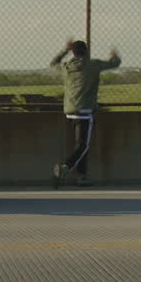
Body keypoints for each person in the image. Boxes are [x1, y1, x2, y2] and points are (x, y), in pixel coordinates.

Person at [49, 39, 120, 187]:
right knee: (83, 146)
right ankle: (65, 168)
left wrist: (65, 50)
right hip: (85, 111)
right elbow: (115, 63)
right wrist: (115, 55)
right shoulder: (93, 65)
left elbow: (53, 63)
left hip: (69, 110)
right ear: (86, 51)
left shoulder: (66, 66)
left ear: (73, 52)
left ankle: (82, 177)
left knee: (81, 146)